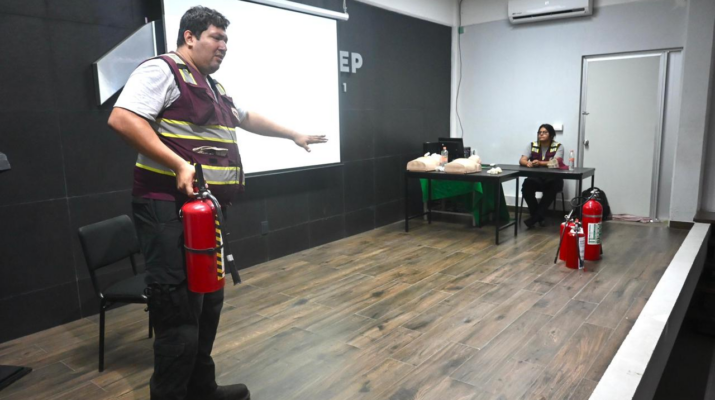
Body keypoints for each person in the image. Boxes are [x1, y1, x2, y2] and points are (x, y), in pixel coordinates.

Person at [108, 6, 327, 400]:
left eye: (226, 39)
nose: (223, 46)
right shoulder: (162, 70)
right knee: (177, 310)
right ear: (190, 37)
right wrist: (178, 164)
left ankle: (201, 388)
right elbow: (123, 119)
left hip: (206, 213)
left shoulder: (213, 86)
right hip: (166, 209)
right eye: (216, 37)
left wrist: (293, 134)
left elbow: (246, 117)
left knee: (209, 302)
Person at [519, 123, 564, 228]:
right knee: (527, 185)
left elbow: (556, 162)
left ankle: (535, 218)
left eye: (544, 132)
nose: (541, 134)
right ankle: (538, 217)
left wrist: (540, 163)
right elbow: (522, 160)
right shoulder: (532, 145)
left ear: (551, 135)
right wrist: (527, 163)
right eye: (539, 132)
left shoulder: (558, 146)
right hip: (536, 177)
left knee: (552, 187)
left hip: (553, 178)